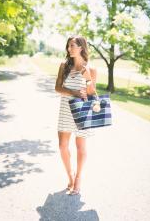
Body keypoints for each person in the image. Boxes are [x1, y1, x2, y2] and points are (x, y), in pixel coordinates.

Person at [55, 35, 97, 195]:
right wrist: (73, 92)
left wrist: (87, 80)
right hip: (65, 110)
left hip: (82, 112)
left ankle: (78, 179)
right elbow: (58, 88)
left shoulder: (91, 69)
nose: (69, 49)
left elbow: (92, 94)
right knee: (62, 146)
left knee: (80, 148)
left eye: (72, 45)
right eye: (68, 46)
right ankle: (70, 176)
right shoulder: (64, 66)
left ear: (81, 48)